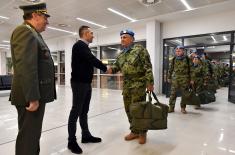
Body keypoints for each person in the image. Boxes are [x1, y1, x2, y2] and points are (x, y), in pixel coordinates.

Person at [10, 3, 56, 155]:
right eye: (45, 17)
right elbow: (27, 67)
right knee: (28, 138)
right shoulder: (24, 31)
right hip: (29, 97)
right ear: (35, 15)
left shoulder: (34, 33)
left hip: (33, 95)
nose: (47, 22)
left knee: (33, 135)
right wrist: (33, 97)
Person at [107, 29, 154, 144]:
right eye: (121, 37)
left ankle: (142, 133)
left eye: (125, 37)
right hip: (127, 85)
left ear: (132, 39)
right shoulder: (121, 54)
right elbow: (116, 67)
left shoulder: (140, 50)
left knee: (139, 109)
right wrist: (109, 69)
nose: (122, 39)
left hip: (138, 84)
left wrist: (150, 83)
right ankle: (134, 131)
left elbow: (147, 66)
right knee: (128, 109)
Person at [68, 25, 107, 154]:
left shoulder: (84, 47)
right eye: (91, 33)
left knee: (84, 111)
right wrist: (105, 67)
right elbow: (91, 59)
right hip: (79, 83)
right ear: (84, 34)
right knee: (76, 111)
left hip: (86, 83)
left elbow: (89, 61)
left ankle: (85, 135)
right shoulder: (79, 45)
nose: (93, 35)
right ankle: (71, 141)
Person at [167, 46, 192, 114]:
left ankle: (183, 108)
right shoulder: (174, 59)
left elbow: (191, 70)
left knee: (184, 94)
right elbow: (170, 69)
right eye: (177, 51)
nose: (178, 52)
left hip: (185, 79)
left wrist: (191, 79)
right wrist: (169, 77)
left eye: (179, 51)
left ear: (183, 51)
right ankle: (171, 108)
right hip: (175, 79)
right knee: (173, 94)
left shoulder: (187, 59)